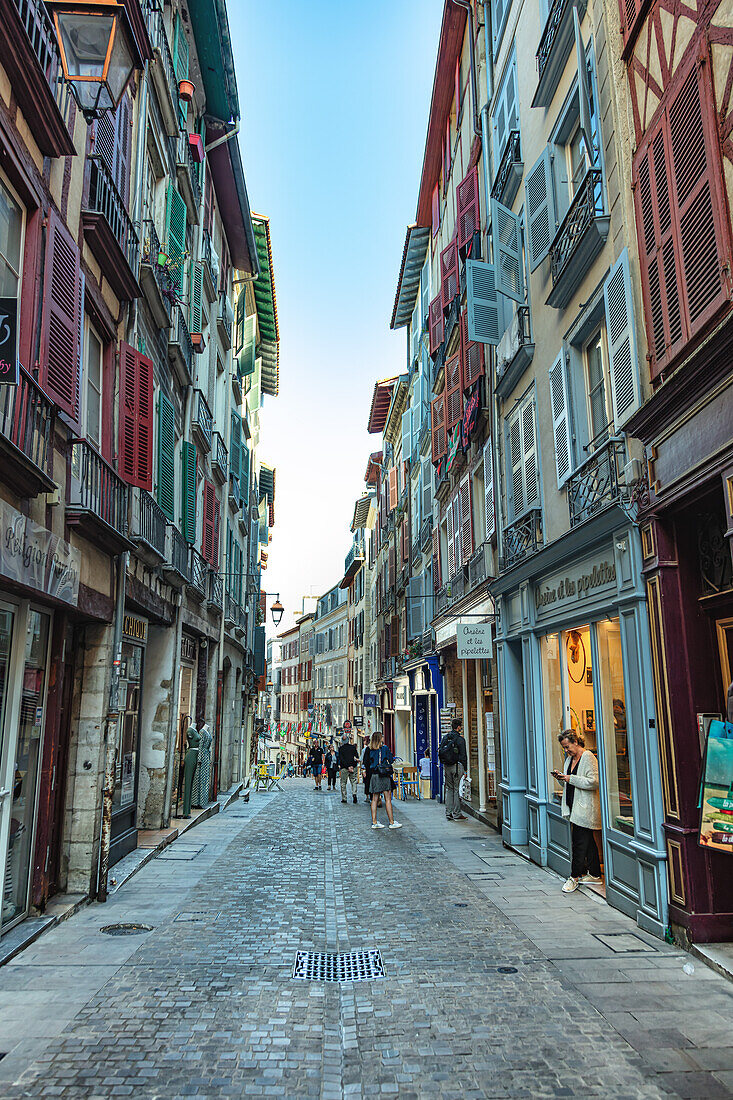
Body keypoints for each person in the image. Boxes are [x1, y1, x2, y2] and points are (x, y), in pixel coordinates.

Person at [555, 730, 603, 892]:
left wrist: (569, 778)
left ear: (576, 742)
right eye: (564, 748)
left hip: (585, 808)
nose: (566, 751)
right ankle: (595, 874)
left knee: (579, 843)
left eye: (568, 747)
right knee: (588, 841)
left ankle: (574, 877)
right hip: (573, 806)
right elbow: (569, 783)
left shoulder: (588, 757)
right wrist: (562, 778)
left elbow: (595, 782)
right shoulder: (569, 759)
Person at [368, 730, 402, 830]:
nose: (383, 738)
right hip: (384, 775)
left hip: (374, 775)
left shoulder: (370, 750)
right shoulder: (385, 748)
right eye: (382, 736)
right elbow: (391, 760)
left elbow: (367, 762)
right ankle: (391, 822)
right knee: (387, 799)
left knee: (374, 799)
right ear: (380, 738)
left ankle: (374, 822)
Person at [438, 718, 467, 820]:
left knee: (449, 789)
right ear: (458, 727)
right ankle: (457, 813)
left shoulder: (445, 737)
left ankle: (448, 813)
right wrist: (465, 770)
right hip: (457, 766)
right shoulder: (460, 739)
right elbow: (463, 755)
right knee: (456, 790)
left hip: (447, 766)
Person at [338, 733, 360, 804]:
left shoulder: (341, 748)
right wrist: (352, 766)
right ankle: (354, 794)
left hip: (344, 768)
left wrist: (347, 766)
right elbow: (356, 757)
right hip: (353, 767)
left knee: (343, 783)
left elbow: (341, 759)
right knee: (353, 781)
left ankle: (344, 798)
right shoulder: (353, 747)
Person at [361, 737, 372, 805]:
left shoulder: (366, 749)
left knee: (367, 783)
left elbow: (363, 760)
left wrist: (363, 769)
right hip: (373, 770)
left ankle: (368, 797)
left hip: (368, 770)